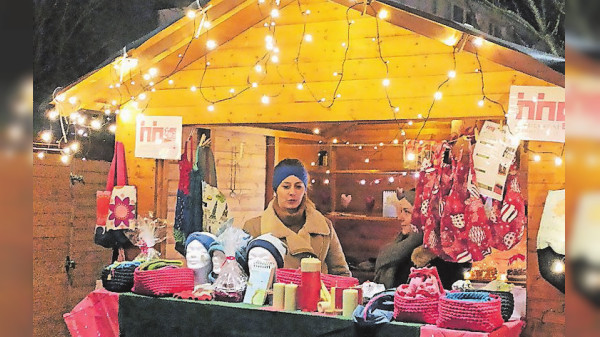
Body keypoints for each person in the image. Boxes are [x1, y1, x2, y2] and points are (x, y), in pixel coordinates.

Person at [243, 158, 351, 276]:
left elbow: (341, 273)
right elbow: (244, 276)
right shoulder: (254, 227)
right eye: (286, 186)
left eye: (298, 186)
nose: (292, 192)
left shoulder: (324, 226)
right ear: (276, 190)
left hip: (318, 293)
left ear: (305, 190)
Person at [374, 189, 423, 289]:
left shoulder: (432, 256)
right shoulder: (399, 245)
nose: (400, 217)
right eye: (400, 211)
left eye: (406, 212)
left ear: (422, 216)